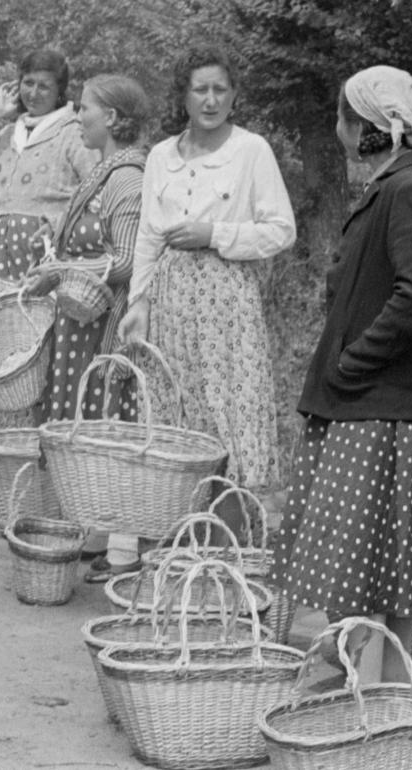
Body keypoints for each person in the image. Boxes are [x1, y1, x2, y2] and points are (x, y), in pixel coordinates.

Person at [278, 65, 412, 682]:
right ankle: (370, 685)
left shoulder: (408, 190)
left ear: (367, 127)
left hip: (383, 402)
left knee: (372, 560)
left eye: (344, 119)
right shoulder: (391, 186)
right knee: (365, 559)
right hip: (365, 401)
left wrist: (352, 362)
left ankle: (379, 694)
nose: (339, 132)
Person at [116, 46, 296, 493]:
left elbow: (281, 231)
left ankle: (228, 535)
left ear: (235, 96)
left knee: (228, 409)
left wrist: (214, 234)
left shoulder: (251, 150)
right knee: (176, 405)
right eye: (201, 90)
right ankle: (175, 536)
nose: (211, 101)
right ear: (184, 97)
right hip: (170, 299)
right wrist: (139, 302)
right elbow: (149, 236)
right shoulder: (161, 155)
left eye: (221, 90)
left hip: (227, 300)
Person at [25, 74, 149, 583]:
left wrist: (63, 273)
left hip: (107, 323)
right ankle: (95, 532)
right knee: (86, 420)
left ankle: (122, 544)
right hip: (81, 320)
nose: (78, 117)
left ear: (114, 120)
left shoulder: (126, 179)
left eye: (86, 109)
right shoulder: (102, 171)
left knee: (107, 424)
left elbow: (126, 261)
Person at [0, 50, 97, 284]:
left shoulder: (72, 132)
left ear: (59, 91)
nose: (33, 93)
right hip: (4, 248)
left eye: (44, 87)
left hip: (50, 250)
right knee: (5, 318)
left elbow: (96, 192)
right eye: (28, 83)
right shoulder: (9, 133)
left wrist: (57, 226)